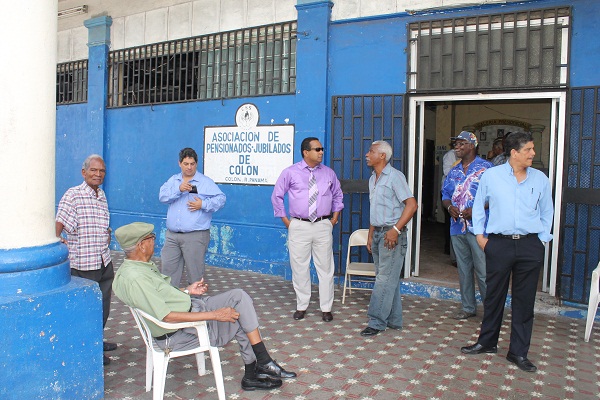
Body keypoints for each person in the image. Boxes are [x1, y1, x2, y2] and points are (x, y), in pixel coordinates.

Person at [112, 222, 296, 391]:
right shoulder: (137, 278)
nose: (155, 241)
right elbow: (166, 316)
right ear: (141, 245)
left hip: (191, 308)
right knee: (240, 315)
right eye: (151, 238)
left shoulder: (135, 268)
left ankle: (260, 365)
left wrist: (186, 290)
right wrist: (215, 315)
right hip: (181, 332)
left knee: (239, 297)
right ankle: (257, 368)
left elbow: (160, 295)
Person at [461, 131, 553, 373]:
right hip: (498, 244)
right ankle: (487, 342)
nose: (533, 153)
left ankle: (518, 352)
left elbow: (547, 212)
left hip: (529, 245)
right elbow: (478, 205)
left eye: (533, 149)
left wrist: (542, 239)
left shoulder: (540, 179)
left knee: (524, 302)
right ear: (514, 153)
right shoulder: (492, 176)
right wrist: (480, 236)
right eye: (528, 150)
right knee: (494, 296)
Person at [271, 137, 344, 322]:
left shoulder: (328, 173)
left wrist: (334, 218)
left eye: (322, 149)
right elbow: (277, 196)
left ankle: (326, 308)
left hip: (322, 225)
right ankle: (301, 306)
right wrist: (287, 221)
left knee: (326, 268)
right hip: (299, 225)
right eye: (317, 149)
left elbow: (338, 195)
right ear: (306, 152)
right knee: (299, 267)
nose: (321, 152)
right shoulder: (290, 172)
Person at [55, 154, 116, 365]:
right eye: (94, 170)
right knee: (87, 309)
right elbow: (59, 223)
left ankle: (96, 340)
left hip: (103, 260)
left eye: (102, 171)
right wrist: (58, 241)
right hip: (84, 263)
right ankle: (88, 348)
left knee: (103, 306)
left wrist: (106, 234)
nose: (98, 174)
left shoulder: (101, 195)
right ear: (84, 172)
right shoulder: (73, 195)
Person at [360, 141, 418, 337]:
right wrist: (370, 235)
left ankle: (376, 321)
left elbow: (411, 205)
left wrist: (395, 229)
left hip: (392, 236)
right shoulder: (372, 179)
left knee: (384, 279)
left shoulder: (395, 177)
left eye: (371, 151)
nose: (367, 154)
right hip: (378, 234)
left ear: (382, 156)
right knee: (387, 278)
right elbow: (374, 210)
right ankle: (394, 320)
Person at [441, 131, 493, 320]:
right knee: (463, 270)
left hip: (479, 229)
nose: (457, 147)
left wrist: (477, 209)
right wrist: (449, 208)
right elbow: (445, 194)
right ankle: (468, 307)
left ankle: (491, 312)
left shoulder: (487, 168)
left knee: (484, 272)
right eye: (456, 143)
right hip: (456, 227)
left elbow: (495, 195)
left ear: (472, 145)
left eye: (461, 143)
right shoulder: (454, 170)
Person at [159, 147, 226, 288]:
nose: (189, 167)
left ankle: (197, 306)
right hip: (172, 236)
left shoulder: (205, 182)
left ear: (196, 164)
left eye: (192, 164)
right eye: (186, 163)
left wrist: (203, 204)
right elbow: (162, 196)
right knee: (167, 273)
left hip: (195, 236)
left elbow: (221, 199)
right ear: (179, 163)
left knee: (195, 274)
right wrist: (179, 189)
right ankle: (170, 306)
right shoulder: (174, 180)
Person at [441, 139, 459, 264]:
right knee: (450, 221)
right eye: (458, 144)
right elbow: (447, 171)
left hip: (462, 193)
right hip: (449, 192)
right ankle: (449, 249)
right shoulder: (449, 156)